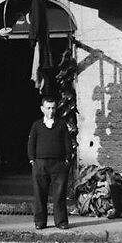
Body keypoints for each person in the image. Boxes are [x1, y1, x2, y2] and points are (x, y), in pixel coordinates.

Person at [27, 96, 71, 230]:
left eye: (53, 108)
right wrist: (32, 159)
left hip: (58, 164)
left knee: (59, 194)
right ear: (42, 109)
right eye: (48, 108)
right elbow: (31, 143)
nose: (51, 111)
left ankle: (61, 221)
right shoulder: (37, 125)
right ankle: (40, 222)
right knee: (40, 194)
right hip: (40, 164)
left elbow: (67, 143)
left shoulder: (61, 124)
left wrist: (67, 159)